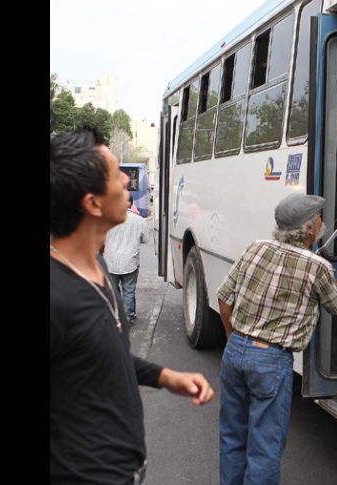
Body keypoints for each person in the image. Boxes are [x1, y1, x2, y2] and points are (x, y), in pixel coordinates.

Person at [50, 128, 215, 484]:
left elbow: (104, 356)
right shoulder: (56, 296)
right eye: (115, 174)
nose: (127, 179)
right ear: (93, 204)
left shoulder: (98, 268)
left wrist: (165, 377)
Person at [217, 193, 337, 485]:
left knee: (232, 436)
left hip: (236, 350)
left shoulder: (256, 248)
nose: (322, 222)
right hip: (270, 360)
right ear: (310, 228)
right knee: (264, 447)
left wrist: (232, 338)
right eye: (319, 218)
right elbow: (336, 303)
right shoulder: (316, 266)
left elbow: (223, 297)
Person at [104, 193, 150, 323]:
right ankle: (129, 316)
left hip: (110, 261)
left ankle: (115, 315)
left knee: (113, 290)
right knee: (129, 290)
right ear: (131, 203)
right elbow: (145, 239)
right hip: (130, 261)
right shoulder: (139, 220)